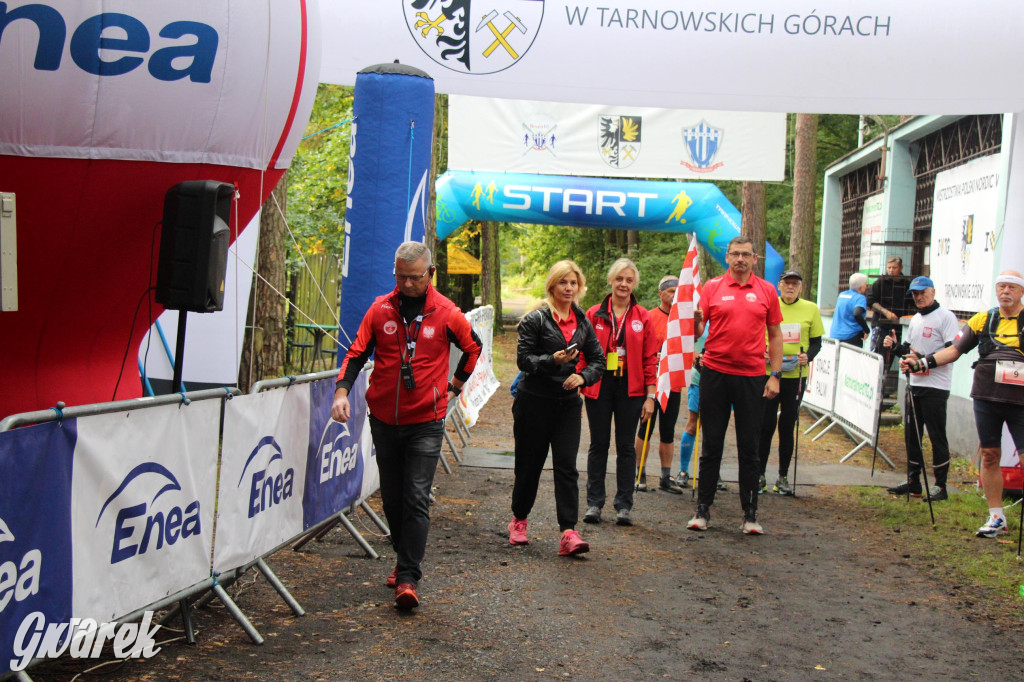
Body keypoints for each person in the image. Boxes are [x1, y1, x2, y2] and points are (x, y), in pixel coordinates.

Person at [331, 241, 482, 609]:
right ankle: (403, 559)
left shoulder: (446, 312)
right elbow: (356, 353)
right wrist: (341, 392)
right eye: (401, 277)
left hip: (425, 421)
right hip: (384, 419)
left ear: (430, 273)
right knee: (394, 497)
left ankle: (408, 577)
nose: (408, 284)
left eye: (415, 278)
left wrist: (454, 387)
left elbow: (473, 348)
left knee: (416, 495)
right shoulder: (380, 309)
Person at [902, 270, 1024, 537]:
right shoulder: (983, 319)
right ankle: (996, 517)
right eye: (1001, 286)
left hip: (1020, 402)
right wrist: (922, 362)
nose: (1006, 292)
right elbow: (954, 350)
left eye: (1012, 288)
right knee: (990, 456)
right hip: (986, 398)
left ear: (1021, 292)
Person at [686, 236, 782, 535]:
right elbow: (698, 330)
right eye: (735, 254)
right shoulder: (712, 287)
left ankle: (750, 515)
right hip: (715, 374)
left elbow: (776, 335)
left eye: (746, 254)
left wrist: (775, 374)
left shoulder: (767, 290)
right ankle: (702, 511)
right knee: (711, 444)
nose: (740, 259)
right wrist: (694, 322)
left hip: (753, 376)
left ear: (755, 259)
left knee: (749, 448)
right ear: (727, 257)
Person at [509, 260, 604, 556]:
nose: (568, 288)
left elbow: (598, 360)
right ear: (552, 285)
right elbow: (523, 361)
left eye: (573, 283)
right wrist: (554, 360)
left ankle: (568, 532)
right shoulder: (535, 319)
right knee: (529, 466)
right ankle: (519, 520)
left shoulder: (583, 322)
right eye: (563, 282)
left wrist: (583, 376)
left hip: (567, 405)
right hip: (533, 402)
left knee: (566, 467)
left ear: (579, 287)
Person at [581, 258, 659, 527]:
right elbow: (583, 352)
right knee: (598, 444)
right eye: (619, 279)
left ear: (634, 283)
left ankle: (624, 505)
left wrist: (651, 396)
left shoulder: (643, 316)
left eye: (628, 280)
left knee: (626, 446)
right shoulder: (593, 314)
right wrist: (582, 380)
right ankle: (594, 503)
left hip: (632, 388)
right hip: (599, 385)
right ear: (611, 281)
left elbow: (651, 358)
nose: (623, 284)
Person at [882, 276, 960, 500]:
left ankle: (940, 485)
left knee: (936, 435)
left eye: (922, 292)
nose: (918, 297)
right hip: (914, 384)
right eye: (915, 294)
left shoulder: (946, 317)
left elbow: (950, 353)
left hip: (935, 386)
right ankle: (913, 481)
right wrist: (896, 347)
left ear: (933, 292)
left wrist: (922, 360)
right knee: (912, 435)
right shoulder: (915, 319)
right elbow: (911, 351)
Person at [757, 270, 824, 496]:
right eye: (787, 283)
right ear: (779, 285)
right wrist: (761, 352)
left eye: (795, 284)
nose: (790, 287)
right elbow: (756, 334)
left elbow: (816, 342)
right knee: (765, 426)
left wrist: (809, 356)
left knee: (787, 426)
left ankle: (783, 476)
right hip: (769, 374)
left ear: (801, 287)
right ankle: (759, 475)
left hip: (795, 375)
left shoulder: (810, 308)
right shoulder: (768, 304)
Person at [633, 275, 686, 495]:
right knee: (645, 427)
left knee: (668, 429)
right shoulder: (649, 316)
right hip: (651, 384)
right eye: (670, 291)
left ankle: (666, 475)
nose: (674, 296)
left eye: (677, 292)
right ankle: (639, 473)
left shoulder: (682, 320)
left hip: (672, 383)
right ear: (661, 293)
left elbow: (694, 339)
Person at [867, 256, 913, 367]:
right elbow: (870, 300)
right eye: (889, 268)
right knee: (879, 359)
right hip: (881, 326)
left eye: (894, 267)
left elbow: (912, 303)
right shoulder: (881, 282)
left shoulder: (906, 284)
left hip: (898, 327)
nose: (891, 270)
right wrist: (885, 312)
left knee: (894, 358)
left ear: (901, 268)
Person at [830, 272, 870, 347]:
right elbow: (857, 313)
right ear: (860, 287)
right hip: (851, 336)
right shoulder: (860, 298)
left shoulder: (842, 295)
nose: (866, 286)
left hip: (835, 335)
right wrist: (866, 329)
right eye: (865, 284)